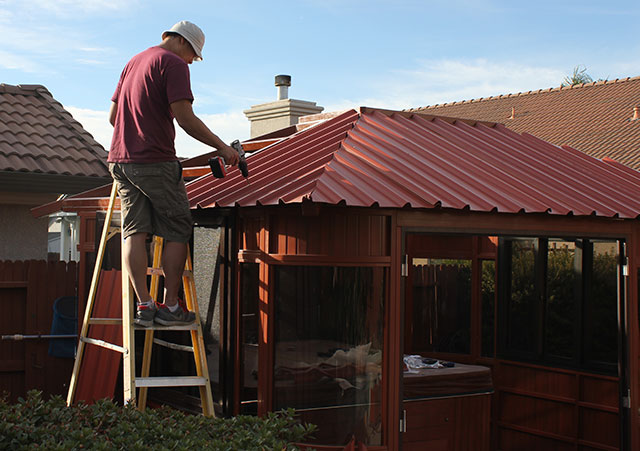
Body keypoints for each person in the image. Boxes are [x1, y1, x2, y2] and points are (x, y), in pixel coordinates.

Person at [107, 20, 239, 327]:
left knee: (134, 232)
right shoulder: (174, 63)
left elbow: (114, 117)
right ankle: (169, 307)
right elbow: (185, 118)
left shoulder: (134, 61)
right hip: (155, 162)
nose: (193, 61)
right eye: (194, 55)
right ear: (184, 43)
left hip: (120, 161)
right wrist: (222, 147)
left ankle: (144, 305)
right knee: (178, 227)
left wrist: (138, 136)